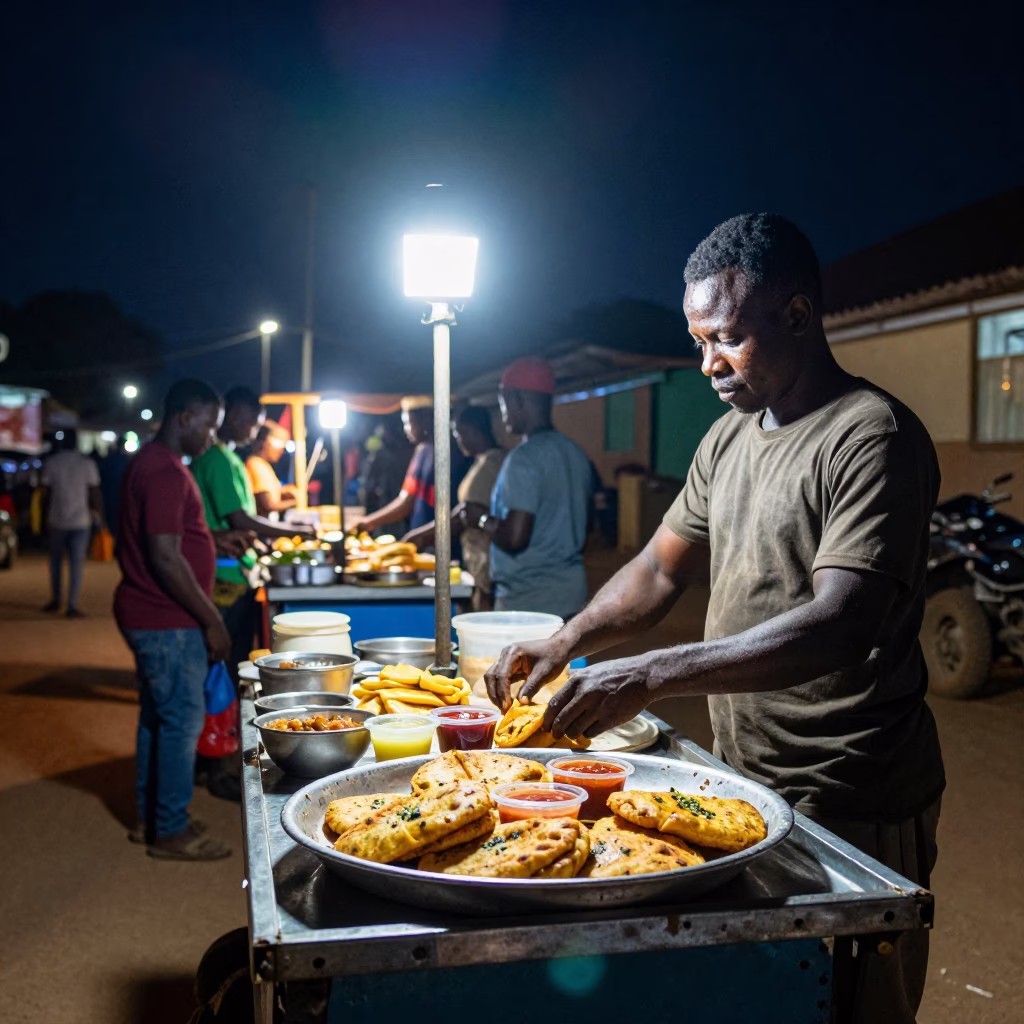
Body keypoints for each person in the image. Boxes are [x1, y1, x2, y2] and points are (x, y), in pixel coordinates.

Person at [485, 214, 944, 1024]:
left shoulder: (871, 438)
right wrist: (568, 638)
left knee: (850, 1002)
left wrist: (654, 673)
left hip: (852, 790)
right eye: (698, 341)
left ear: (797, 316)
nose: (707, 365)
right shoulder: (728, 438)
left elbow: (840, 622)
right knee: (762, 994)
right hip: (743, 777)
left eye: (725, 338)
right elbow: (660, 568)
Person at [114, 379, 233, 861]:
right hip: (167, 620)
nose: (211, 438)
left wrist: (212, 543)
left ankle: (153, 819)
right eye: (209, 425)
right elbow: (165, 558)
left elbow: (170, 541)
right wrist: (213, 621)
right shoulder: (163, 470)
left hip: (152, 615)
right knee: (182, 723)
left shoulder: (151, 463)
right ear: (184, 416)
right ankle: (170, 830)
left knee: (158, 720)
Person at [463, 357, 593, 620]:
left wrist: (480, 518)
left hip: (528, 606)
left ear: (516, 400)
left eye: (503, 404)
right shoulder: (575, 453)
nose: (503, 414)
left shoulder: (523, 458)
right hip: (572, 597)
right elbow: (586, 525)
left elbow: (515, 537)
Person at [405, 405, 505, 609]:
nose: (458, 440)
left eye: (459, 433)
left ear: (473, 430)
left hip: (487, 562)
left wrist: (425, 534)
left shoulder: (494, 463)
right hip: (476, 560)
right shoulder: (480, 462)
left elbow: (466, 513)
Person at [41, 428, 104, 617]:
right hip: (80, 520)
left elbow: (46, 492)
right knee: (76, 564)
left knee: (56, 563)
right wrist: (100, 516)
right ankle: (71, 604)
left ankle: (56, 599)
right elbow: (94, 492)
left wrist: (43, 517)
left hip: (56, 518)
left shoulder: (52, 463)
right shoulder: (87, 463)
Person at [350, 396, 435, 535]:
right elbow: (406, 499)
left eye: (409, 422)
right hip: (421, 537)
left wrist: (368, 521)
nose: (407, 429)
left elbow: (406, 503)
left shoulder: (443, 452)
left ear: (424, 420)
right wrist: (368, 522)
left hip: (436, 541)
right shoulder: (421, 452)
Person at [245, 420, 297, 519]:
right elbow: (268, 505)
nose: (281, 450)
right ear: (265, 441)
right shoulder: (256, 465)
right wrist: (295, 502)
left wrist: (284, 491)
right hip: (263, 528)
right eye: (279, 444)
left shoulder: (264, 465)